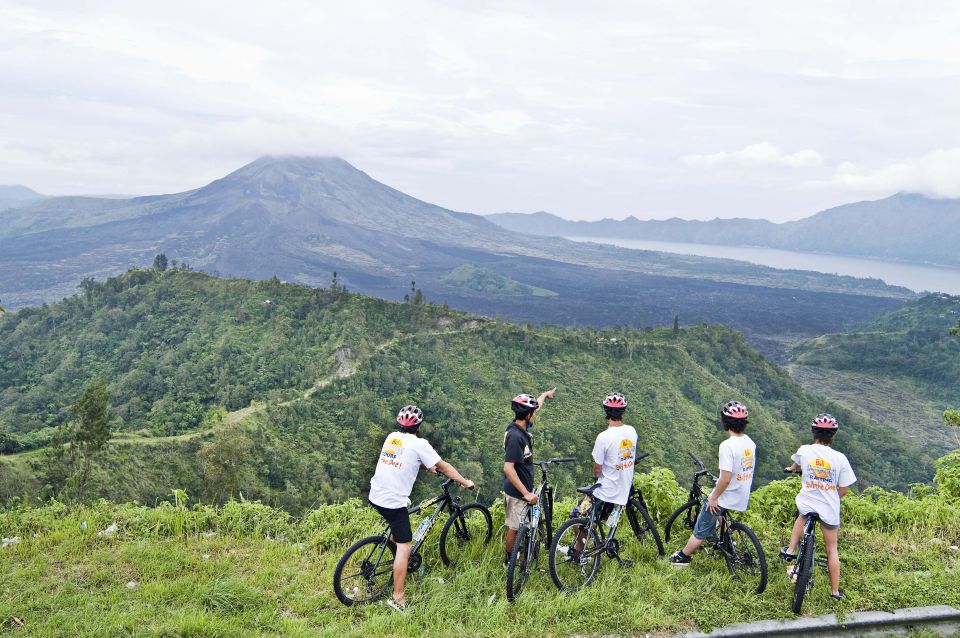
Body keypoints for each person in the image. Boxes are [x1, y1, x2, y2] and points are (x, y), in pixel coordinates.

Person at [368, 404, 474, 612]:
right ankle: (398, 598)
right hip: (392, 501)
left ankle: (391, 555)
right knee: (405, 546)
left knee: (397, 533)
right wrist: (464, 481)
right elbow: (445, 467)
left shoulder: (392, 437)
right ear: (419, 425)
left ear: (399, 423)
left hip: (376, 494)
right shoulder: (420, 443)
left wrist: (426, 466)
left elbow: (403, 457)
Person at [670, 400, 756, 566]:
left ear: (725, 422)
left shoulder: (727, 445)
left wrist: (714, 497)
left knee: (702, 524)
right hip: (742, 492)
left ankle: (683, 557)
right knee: (720, 513)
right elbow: (740, 469)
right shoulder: (749, 442)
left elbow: (725, 478)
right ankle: (728, 542)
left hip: (727, 494)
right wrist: (723, 483)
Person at [781, 413, 857, 601]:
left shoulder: (805, 450)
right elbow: (845, 489)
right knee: (832, 549)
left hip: (808, 501)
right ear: (832, 436)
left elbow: (795, 466)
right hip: (829, 508)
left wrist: (792, 470)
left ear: (814, 432)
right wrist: (832, 497)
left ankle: (790, 551)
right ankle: (834, 593)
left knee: (802, 515)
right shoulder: (839, 458)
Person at [502, 388, 556, 564]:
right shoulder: (515, 436)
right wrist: (525, 493)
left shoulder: (522, 425)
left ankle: (517, 554)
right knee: (514, 528)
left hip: (522, 489)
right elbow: (508, 468)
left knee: (518, 525)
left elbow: (536, 407)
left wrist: (544, 396)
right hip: (518, 492)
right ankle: (509, 560)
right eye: (533, 413)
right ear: (527, 416)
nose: (535, 415)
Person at [572, 392, 638, 524]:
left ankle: (580, 545)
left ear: (606, 411)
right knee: (598, 518)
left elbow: (597, 469)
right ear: (623, 412)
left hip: (606, 491)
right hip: (624, 489)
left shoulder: (603, 437)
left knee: (576, 516)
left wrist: (597, 477)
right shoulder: (632, 431)